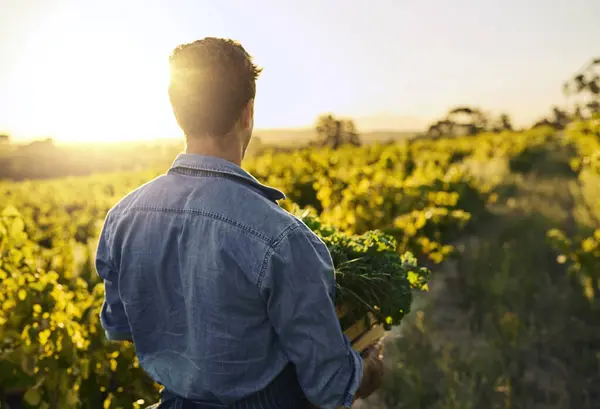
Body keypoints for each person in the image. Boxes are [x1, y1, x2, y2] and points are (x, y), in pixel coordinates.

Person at [95, 37, 384, 409]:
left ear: (176, 109)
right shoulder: (282, 238)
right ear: (248, 112)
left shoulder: (122, 217)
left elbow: (119, 325)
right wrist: (373, 368)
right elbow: (329, 385)